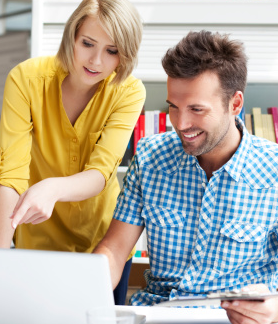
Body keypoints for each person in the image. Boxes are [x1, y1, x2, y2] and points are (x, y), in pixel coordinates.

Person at [94, 30, 278, 322]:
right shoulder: (151, 156)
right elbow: (115, 251)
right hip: (155, 315)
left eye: (196, 109)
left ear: (235, 104)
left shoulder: (274, 173)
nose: (181, 124)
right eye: (173, 107)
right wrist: (85, 288)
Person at [0, 0, 146, 305]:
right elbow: (11, 174)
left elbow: (100, 173)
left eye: (112, 51)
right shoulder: (25, 80)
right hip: (36, 245)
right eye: (88, 43)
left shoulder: (129, 91)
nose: (96, 60)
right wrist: (3, 257)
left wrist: (52, 187)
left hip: (102, 245)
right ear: (72, 36)